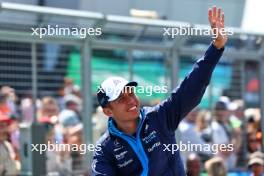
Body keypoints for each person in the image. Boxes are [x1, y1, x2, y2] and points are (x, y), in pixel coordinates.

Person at [92, 6, 227, 176]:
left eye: (131, 93)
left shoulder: (159, 117)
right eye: (121, 98)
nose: (131, 100)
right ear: (107, 111)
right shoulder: (105, 149)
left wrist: (216, 47)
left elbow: (191, 87)